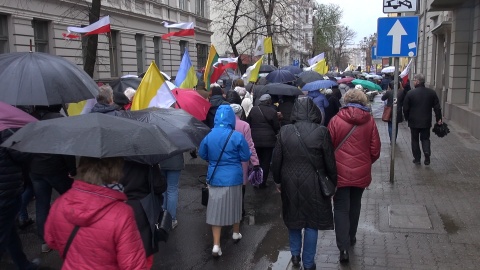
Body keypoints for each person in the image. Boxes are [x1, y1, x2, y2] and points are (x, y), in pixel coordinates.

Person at [44, 157, 147, 269]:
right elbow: (133, 265)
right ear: (115, 171)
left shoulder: (59, 203)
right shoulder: (122, 213)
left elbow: (51, 241)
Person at [271, 97, 337, 270]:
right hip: (314, 183)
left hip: (289, 181)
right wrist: (333, 183)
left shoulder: (284, 131)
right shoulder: (322, 131)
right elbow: (330, 161)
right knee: (311, 223)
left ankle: (294, 255)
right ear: (314, 112)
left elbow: (276, 160)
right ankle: (308, 263)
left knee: (293, 218)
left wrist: (277, 181)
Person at [328, 89, 381, 263]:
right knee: (355, 204)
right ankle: (351, 237)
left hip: (340, 172)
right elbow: (375, 150)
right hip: (361, 171)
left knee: (341, 208)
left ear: (345, 100)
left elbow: (328, 148)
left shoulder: (336, 120)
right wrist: (365, 163)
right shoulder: (370, 121)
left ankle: (343, 249)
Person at [199, 105, 251, 257]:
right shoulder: (237, 136)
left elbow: (202, 153)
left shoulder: (209, 135)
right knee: (235, 204)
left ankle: (216, 245)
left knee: (215, 210)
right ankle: (236, 233)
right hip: (234, 176)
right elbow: (245, 157)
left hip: (215, 177)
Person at [29, 105, 76, 253]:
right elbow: (66, 147)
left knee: (41, 204)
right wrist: (72, 169)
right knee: (72, 199)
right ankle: (75, 231)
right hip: (55, 168)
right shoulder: (59, 120)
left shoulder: (31, 118)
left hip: (35, 168)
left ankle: (45, 241)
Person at [0, 128, 40, 270]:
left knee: (10, 232)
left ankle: (24, 265)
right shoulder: (4, 132)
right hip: (6, 193)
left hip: (6, 192)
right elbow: (22, 156)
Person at [120, 160, 166, 268]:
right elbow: (159, 186)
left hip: (119, 205)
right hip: (142, 209)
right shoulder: (147, 160)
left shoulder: (112, 158)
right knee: (143, 250)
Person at [403, 74, 442, 165]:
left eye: (414, 80)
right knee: (425, 138)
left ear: (417, 81)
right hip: (426, 121)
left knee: (415, 140)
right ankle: (427, 153)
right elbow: (437, 107)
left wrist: (407, 118)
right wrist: (438, 118)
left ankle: (417, 158)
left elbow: (405, 108)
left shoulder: (410, 93)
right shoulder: (431, 93)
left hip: (414, 121)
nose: (413, 82)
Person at [230, 104, 260, 216]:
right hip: (242, 160)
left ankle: (230, 209)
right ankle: (240, 209)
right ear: (240, 113)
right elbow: (249, 145)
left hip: (228, 159)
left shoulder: (224, 125)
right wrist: (255, 162)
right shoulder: (245, 125)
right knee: (241, 186)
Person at [247, 94, 280, 188]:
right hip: (269, 141)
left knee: (256, 161)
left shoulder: (254, 110)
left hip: (255, 139)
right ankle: (262, 183)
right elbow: (276, 126)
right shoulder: (273, 111)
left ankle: (255, 180)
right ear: (269, 101)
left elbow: (248, 122)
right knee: (266, 162)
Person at [160, 153, 184, 229]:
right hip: (176, 161)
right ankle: (171, 220)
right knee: (172, 190)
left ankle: (162, 217)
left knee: (163, 189)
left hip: (160, 160)